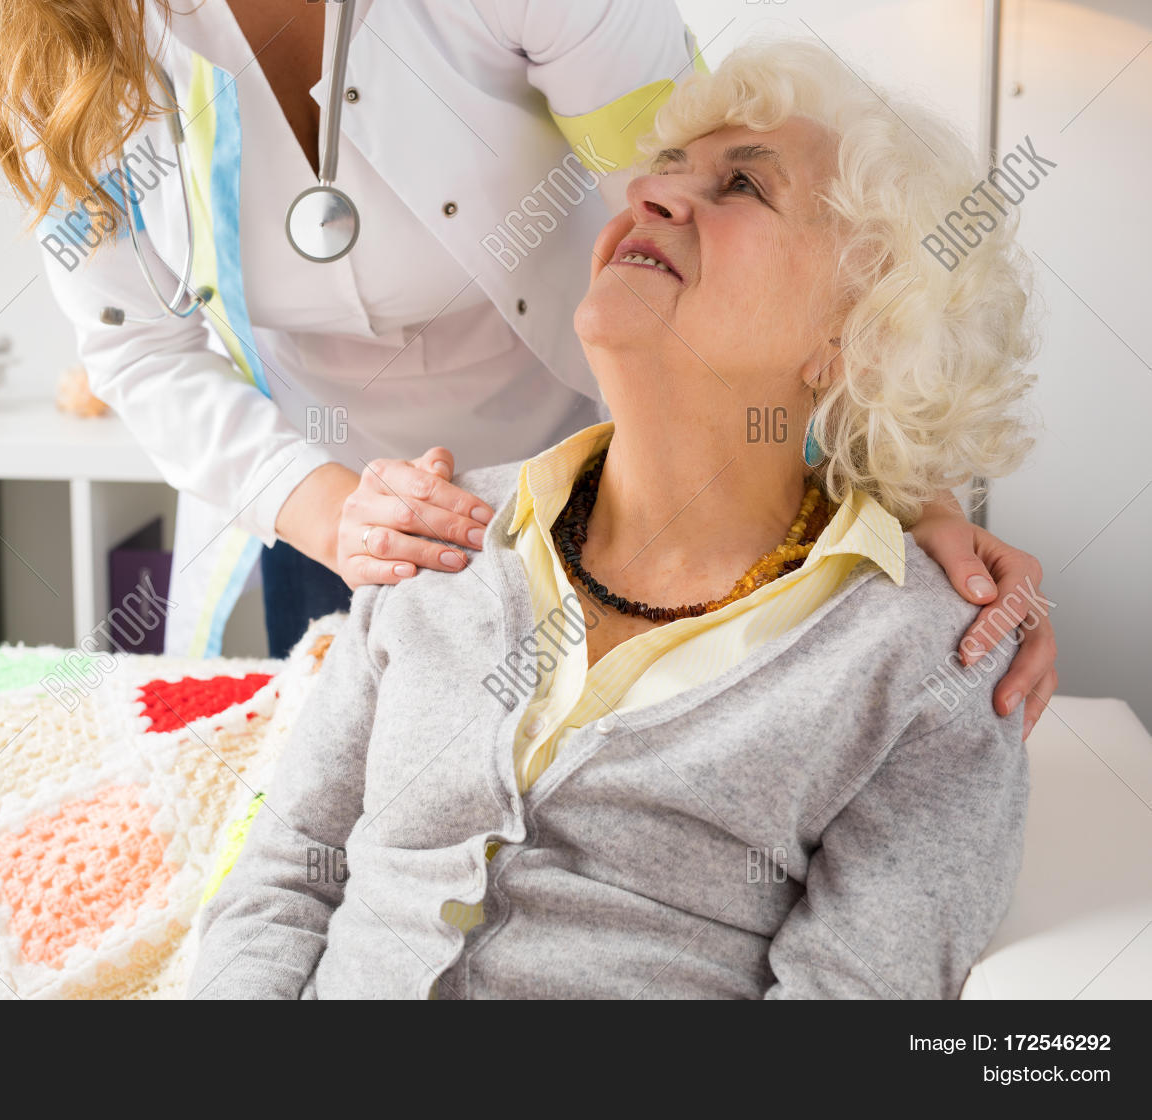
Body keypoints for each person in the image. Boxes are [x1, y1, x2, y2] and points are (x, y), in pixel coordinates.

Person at [0, 0, 1056, 738]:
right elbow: (138, 344)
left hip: (603, 463)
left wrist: (910, 496)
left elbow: (734, 224)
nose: (668, 192)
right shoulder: (60, 53)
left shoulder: (895, 658)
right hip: (335, 500)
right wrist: (335, 514)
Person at [188, 38, 1037, 998]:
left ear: (856, 334)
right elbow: (288, 877)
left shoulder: (930, 659)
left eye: (744, 186)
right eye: (663, 167)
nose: (653, 193)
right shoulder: (442, 532)